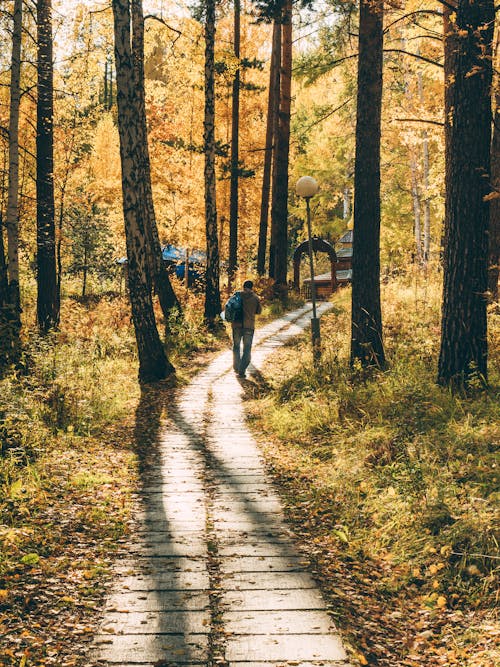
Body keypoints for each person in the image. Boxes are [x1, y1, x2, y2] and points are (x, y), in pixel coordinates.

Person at [232, 280, 262, 378]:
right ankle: (242, 370)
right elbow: (259, 311)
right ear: (252, 287)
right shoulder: (255, 298)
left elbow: (229, 307)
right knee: (247, 349)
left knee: (236, 347)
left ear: (243, 286)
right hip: (249, 326)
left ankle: (236, 367)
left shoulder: (236, 295)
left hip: (236, 325)